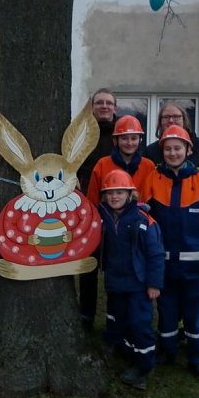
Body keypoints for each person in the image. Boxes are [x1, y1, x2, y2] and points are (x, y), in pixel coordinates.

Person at [144, 101, 199, 365]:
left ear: (188, 149)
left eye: (177, 148)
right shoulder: (152, 168)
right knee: (167, 308)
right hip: (166, 259)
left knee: (198, 308)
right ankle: (169, 349)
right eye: (168, 149)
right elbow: (144, 213)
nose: (172, 153)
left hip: (196, 260)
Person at [97, 169, 164, 390]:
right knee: (118, 320)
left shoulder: (143, 220)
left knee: (139, 323)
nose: (114, 196)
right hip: (115, 283)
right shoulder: (103, 216)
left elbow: (155, 254)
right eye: (110, 193)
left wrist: (154, 284)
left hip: (139, 285)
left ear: (129, 194)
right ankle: (126, 354)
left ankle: (144, 366)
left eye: (119, 192)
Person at [76, 88, 119, 330]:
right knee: (88, 263)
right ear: (92, 107)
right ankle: (86, 314)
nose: (104, 106)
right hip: (88, 207)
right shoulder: (83, 133)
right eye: (99, 102)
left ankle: (115, 315)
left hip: (117, 208)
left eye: (108, 103)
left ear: (115, 107)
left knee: (115, 264)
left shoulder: (122, 133)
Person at [86, 115, 156, 206]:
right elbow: (92, 201)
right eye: (124, 138)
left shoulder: (149, 166)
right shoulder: (102, 165)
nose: (129, 143)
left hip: (140, 218)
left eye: (134, 138)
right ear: (115, 141)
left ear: (140, 140)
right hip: (108, 218)